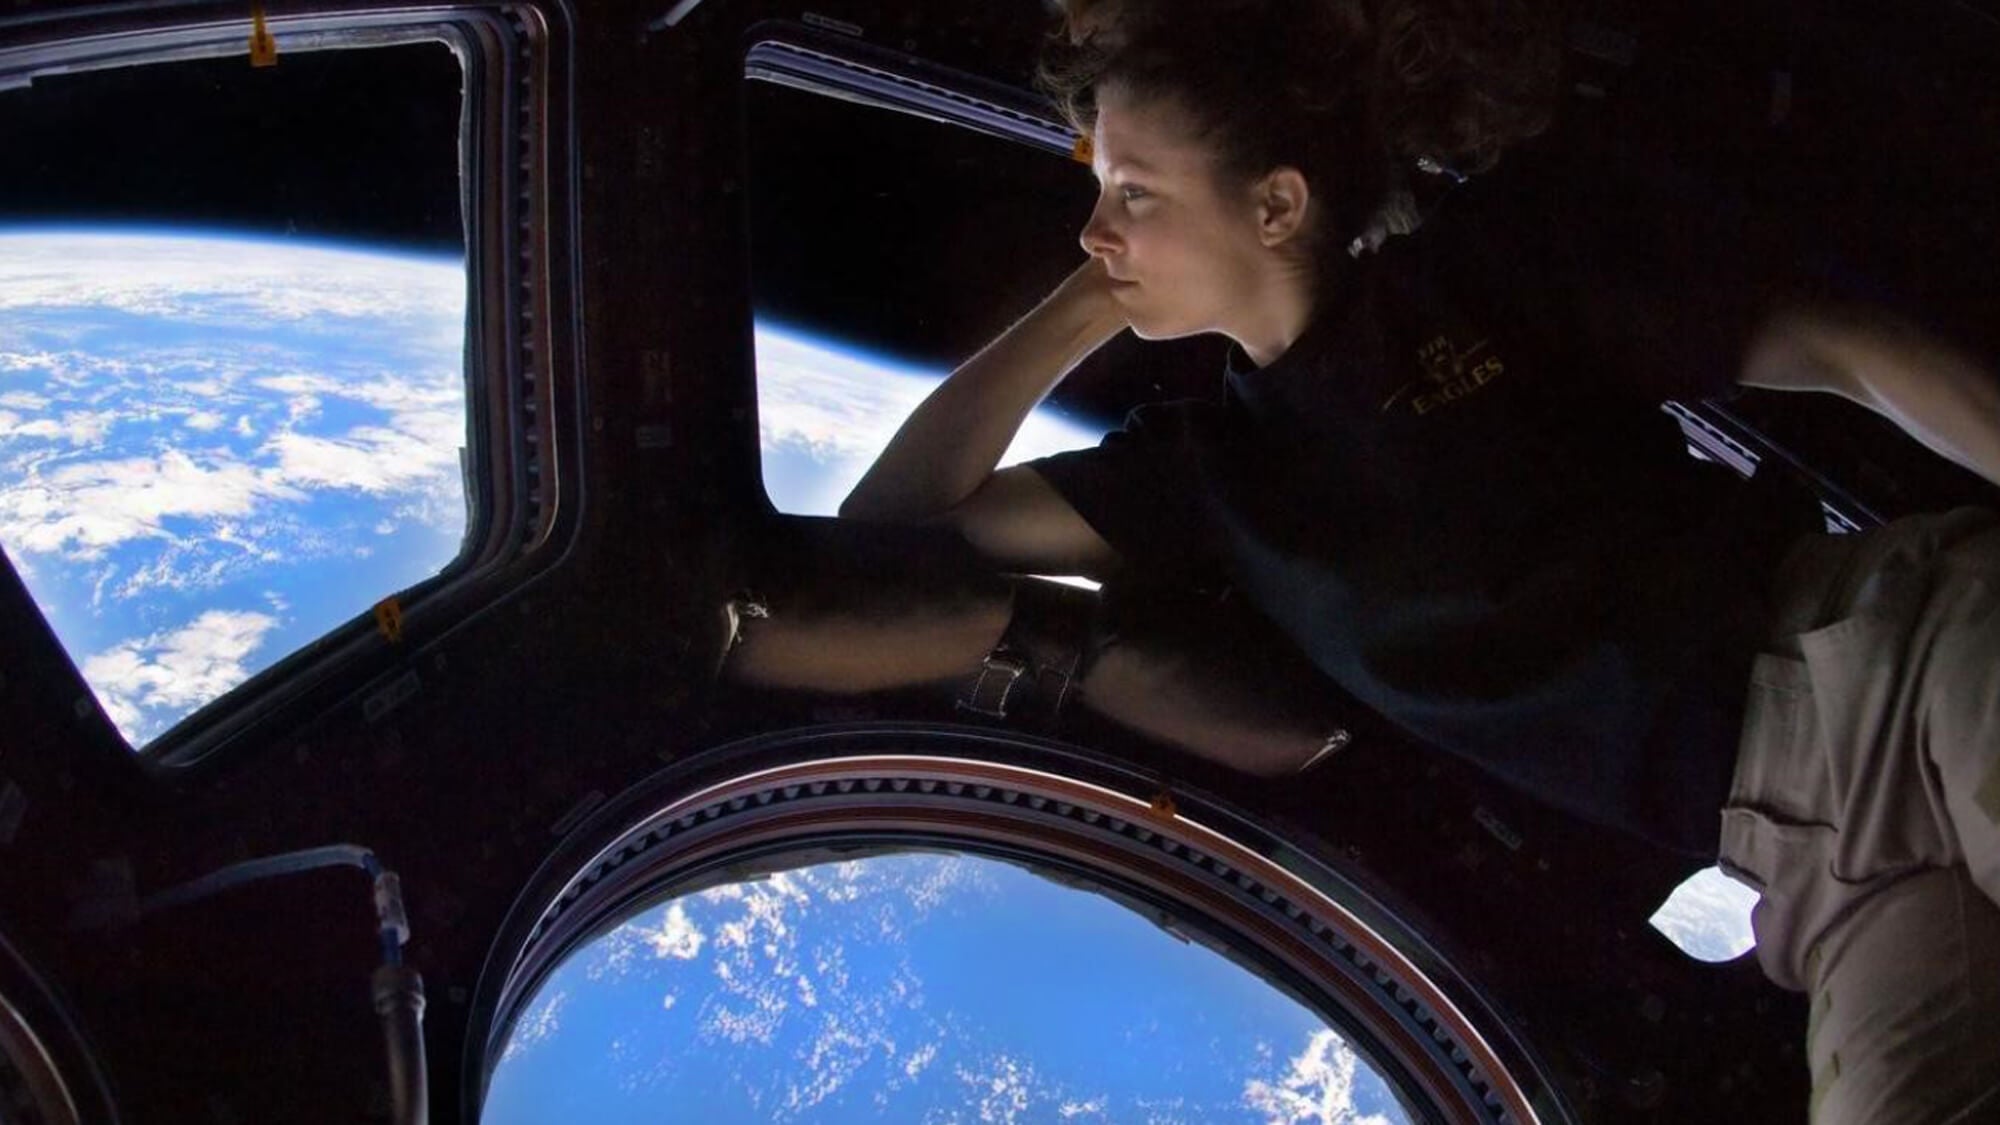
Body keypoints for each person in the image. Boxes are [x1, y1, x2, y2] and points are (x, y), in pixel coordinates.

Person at [738, 0, 2000, 1119]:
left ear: (1276, 204)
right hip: (1816, 867)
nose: (1093, 229)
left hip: (1899, 659)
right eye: (1098, 188)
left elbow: (1841, 349)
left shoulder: (1483, 274)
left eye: (1132, 192)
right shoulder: (1204, 478)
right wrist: (1085, 299)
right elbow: (876, 534)